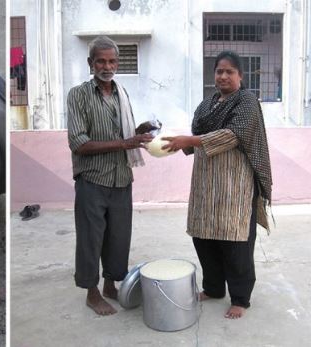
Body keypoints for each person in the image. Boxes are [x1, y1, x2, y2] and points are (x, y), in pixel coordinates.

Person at [162, 50, 272, 319]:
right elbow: (197, 136)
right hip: (204, 184)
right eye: (219, 71)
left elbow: (232, 135)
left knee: (236, 243)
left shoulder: (246, 101)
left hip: (236, 185)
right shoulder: (206, 104)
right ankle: (213, 288)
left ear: (240, 76)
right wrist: (175, 145)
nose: (223, 76)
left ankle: (240, 298)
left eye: (229, 71)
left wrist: (188, 141)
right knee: (204, 238)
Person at [66, 36, 154, 316]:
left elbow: (124, 133)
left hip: (121, 178)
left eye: (112, 60)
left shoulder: (121, 93)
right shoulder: (79, 95)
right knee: (91, 239)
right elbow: (78, 142)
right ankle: (92, 294)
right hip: (92, 179)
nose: (107, 66)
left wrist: (140, 131)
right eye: (101, 60)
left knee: (118, 237)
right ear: (90, 63)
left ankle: (109, 285)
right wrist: (124, 143)